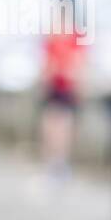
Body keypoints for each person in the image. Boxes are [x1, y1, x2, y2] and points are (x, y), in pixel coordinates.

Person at [38, 26, 87, 181]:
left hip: (67, 90)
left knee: (63, 131)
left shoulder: (76, 37)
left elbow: (79, 64)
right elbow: (47, 64)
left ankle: (60, 166)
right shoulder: (52, 36)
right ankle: (51, 166)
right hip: (53, 89)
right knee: (49, 129)